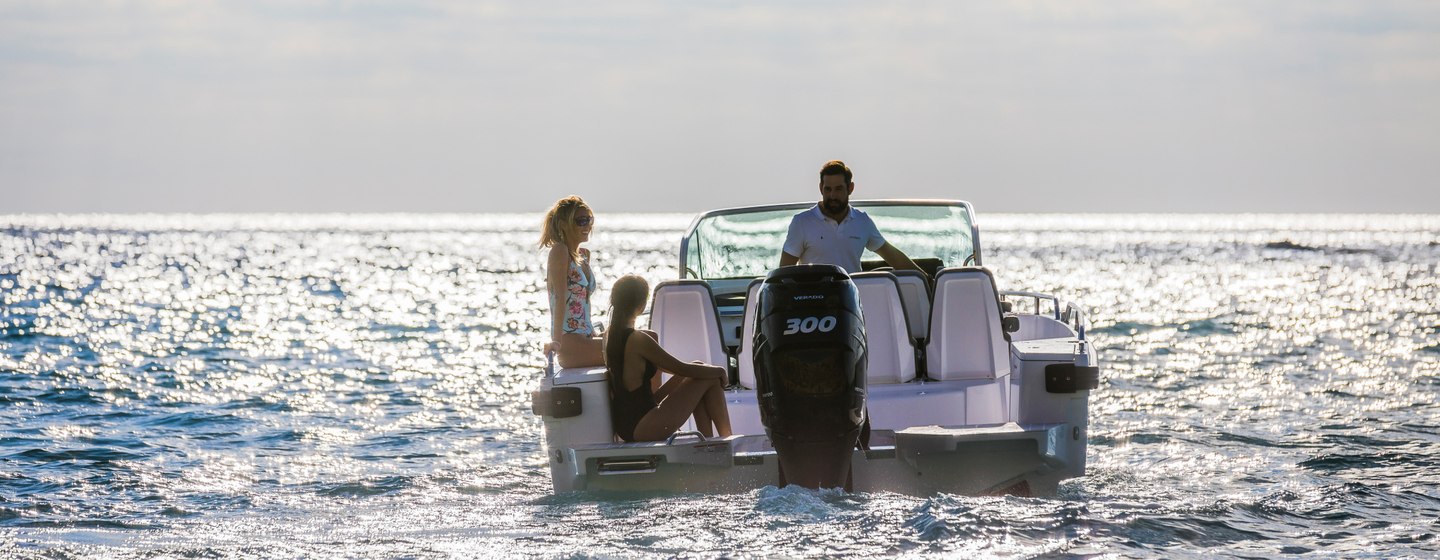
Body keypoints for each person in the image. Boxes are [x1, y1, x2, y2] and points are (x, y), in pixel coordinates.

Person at [605, 275, 733, 442]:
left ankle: (709, 443)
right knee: (710, 378)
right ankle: (728, 438)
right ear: (641, 305)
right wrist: (721, 370)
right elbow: (681, 369)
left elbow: (683, 370)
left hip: (628, 423)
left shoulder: (609, 336)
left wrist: (701, 369)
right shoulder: (637, 340)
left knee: (700, 370)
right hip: (643, 424)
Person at [779, 160, 927, 277]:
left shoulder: (862, 221)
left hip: (852, 303)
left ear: (850, 188)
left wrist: (926, 278)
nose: (832, 196)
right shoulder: (801, 223)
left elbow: (893, 257)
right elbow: (783, 273)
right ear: (820, 188)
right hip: (815, 302)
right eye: (828, 189)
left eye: (838, 189)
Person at [540, 195, 604, 368]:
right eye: (581, 221)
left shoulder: (584, 255)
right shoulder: (559, 251)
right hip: (570, 342)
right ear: (563, 224)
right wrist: (556, 342)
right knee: (637, 348)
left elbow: (584, 302)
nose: (588, 226)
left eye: (589, 219)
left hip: (588, 335)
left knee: (647, 338)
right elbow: (560, 298)